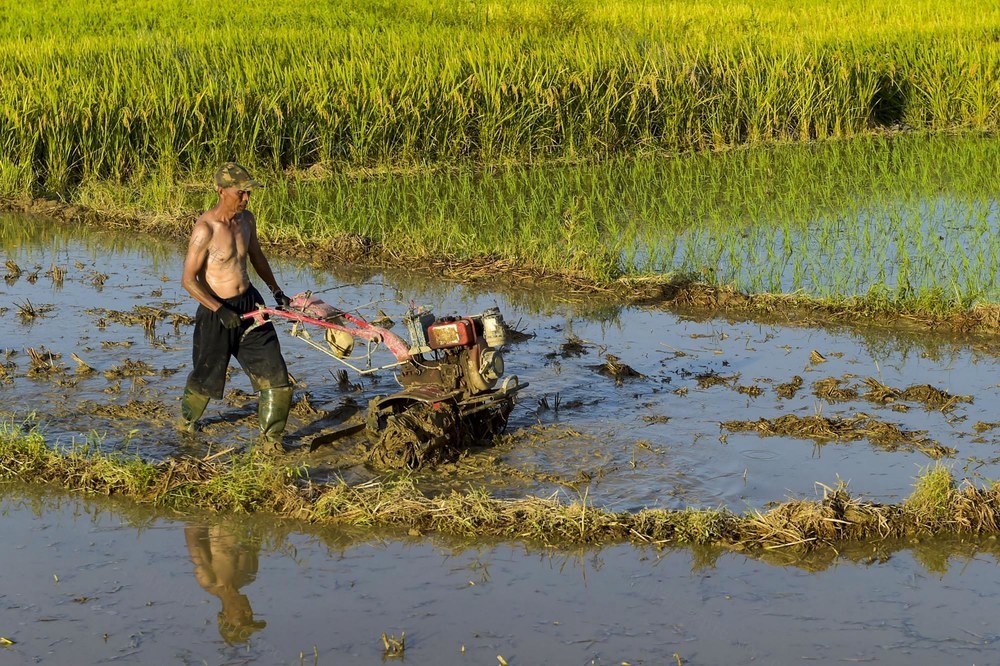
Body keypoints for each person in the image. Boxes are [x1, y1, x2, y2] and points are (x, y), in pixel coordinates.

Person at [178, 162, 293, 450]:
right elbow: (188, 280)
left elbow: (257, 257)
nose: (246, 199)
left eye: (249, 193)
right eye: (241, 193)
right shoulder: (205, 229)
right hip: (217, 310)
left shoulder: (247, 221)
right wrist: (218, 309)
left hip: (251, 305)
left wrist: (277, 291)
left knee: (276, 376)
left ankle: (272, 442)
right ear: (221, 191)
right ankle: (187, 424)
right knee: (206, 377)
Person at [184, 523, 267, 645]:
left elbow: (193, 534)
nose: (249, 612)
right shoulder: (250, 574)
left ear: (224, 616)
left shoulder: (209, 580)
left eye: (242, 618)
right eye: (251, 618)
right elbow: (259, 531)